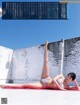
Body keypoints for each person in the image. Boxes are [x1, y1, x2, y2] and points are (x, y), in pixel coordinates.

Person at [0, 41, 80, 90]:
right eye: (68, 76)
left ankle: (4, 86)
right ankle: (45, 47)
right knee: (45, 62)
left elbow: (78, 89)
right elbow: (55, 80)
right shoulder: (62, 76)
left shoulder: (67, 87)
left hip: (43, 85)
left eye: (69, 77)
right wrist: (60, 88)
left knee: (25, 86)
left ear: (71, 80)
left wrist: (74, 81)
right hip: (46, 78)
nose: (67, 77)